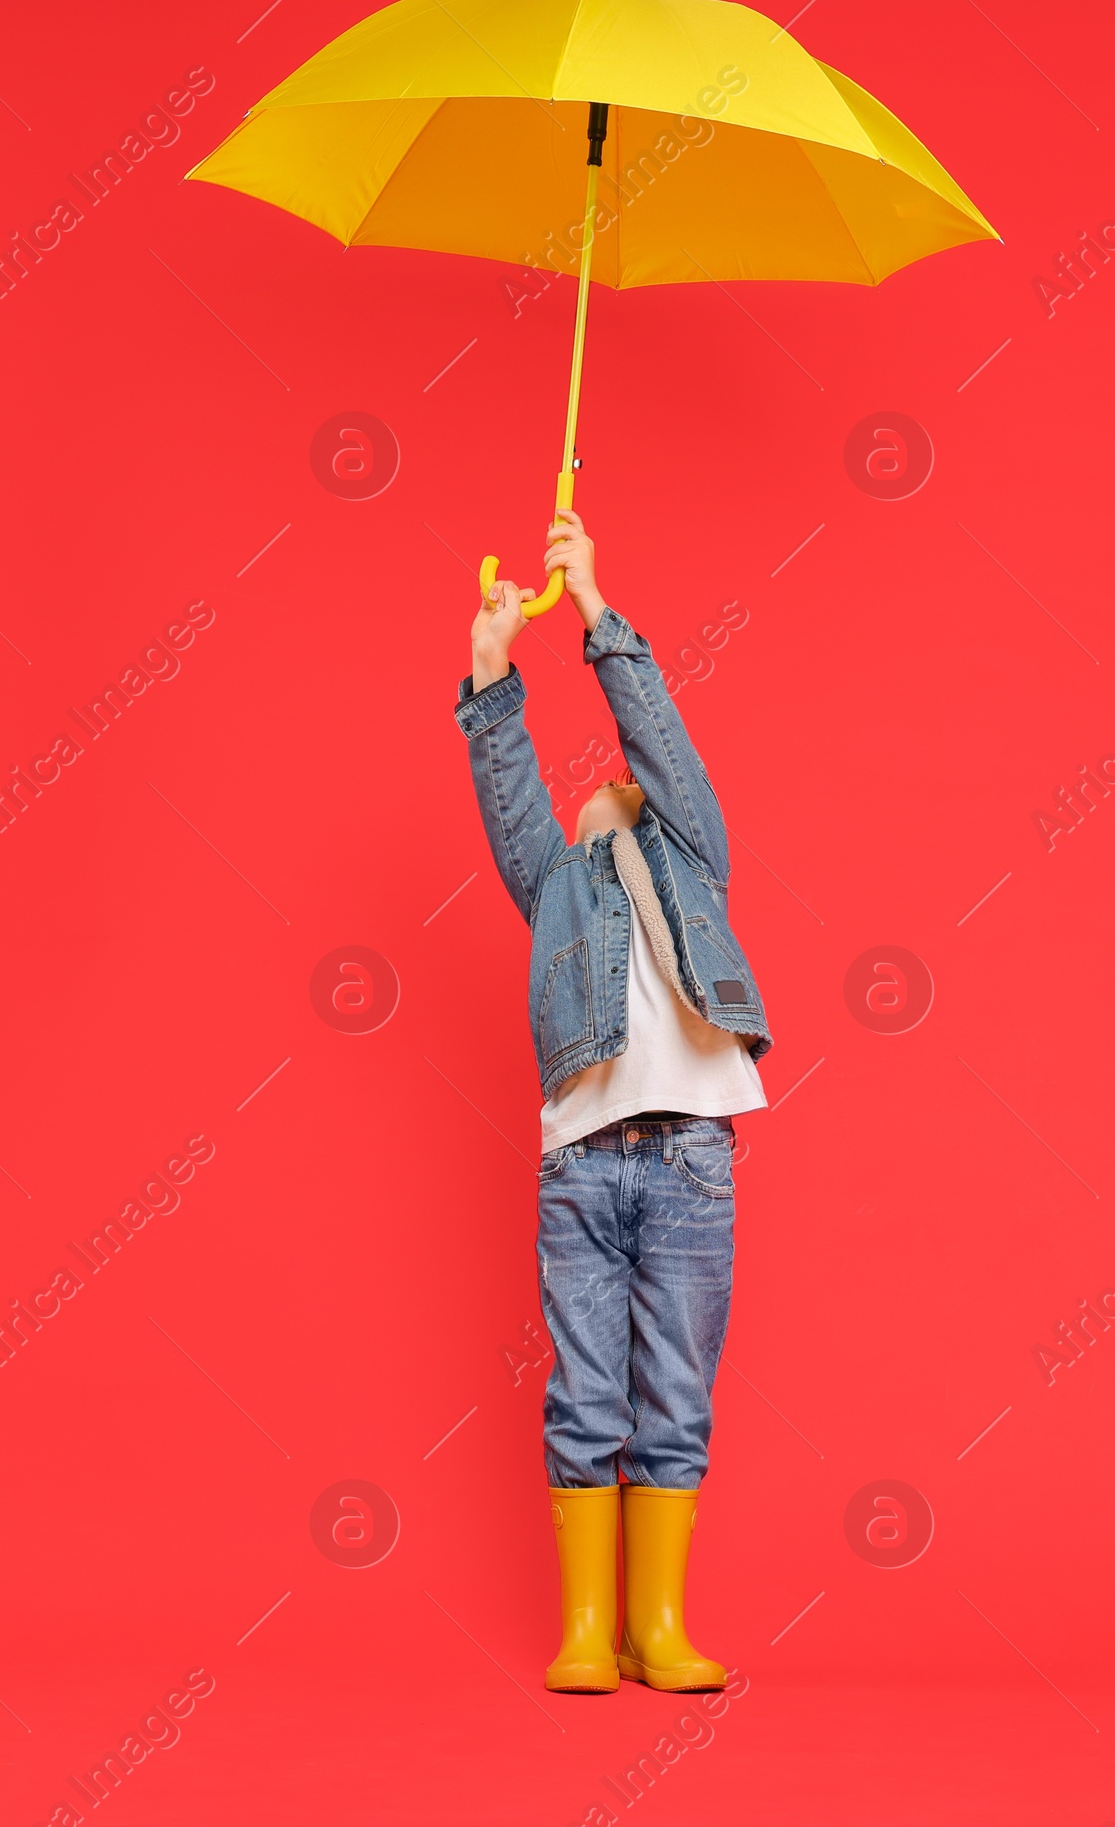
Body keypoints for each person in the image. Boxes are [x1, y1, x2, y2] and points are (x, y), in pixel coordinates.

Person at [454, 509, 772, 1696]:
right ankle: (591, 1628)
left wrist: (591, 604)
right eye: (591, 791)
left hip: (691, 1154)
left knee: (673, 1395)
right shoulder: (555, 884)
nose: (605, 783)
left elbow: (661, 743)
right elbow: (508, 796)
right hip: (583, 1161)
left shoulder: (690, 849)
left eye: (620, 784)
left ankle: (661, 1627)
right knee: (584, 1390)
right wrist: (495, 664)